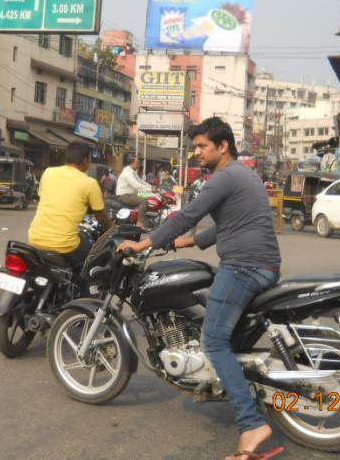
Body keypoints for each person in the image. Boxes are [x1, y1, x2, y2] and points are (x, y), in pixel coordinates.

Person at [117, 117, 282, 460]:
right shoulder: (242, 174)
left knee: (213, 340)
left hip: (244, 267)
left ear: (223, 146)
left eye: (202, 146)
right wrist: (183, 243)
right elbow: (228, 225)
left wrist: (145, 242)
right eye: (195, 147)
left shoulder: (223, 178)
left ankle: (251, 424)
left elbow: (185, 215)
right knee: (221, 327)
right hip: (260, 263)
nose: (197, 153)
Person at [28, 141, 112, 267]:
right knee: (94, 258)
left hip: (34, 238)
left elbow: (47, 198)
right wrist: (112, 230)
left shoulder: (48, 172)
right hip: (64, 245)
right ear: (85, 160)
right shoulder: (89, 183)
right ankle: (83, 287)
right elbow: (101, 216)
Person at [115, 153, 154, 226]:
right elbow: (136, 185)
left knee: (151, 196)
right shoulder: (127, 172)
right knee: (144, 201)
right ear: (131, 162)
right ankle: (140, 222)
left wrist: (151, 188)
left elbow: (141, 181)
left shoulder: (132, 172)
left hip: (131, 194)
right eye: (137, 163)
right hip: (124, 195)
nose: (138, 165)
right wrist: (150, 189)